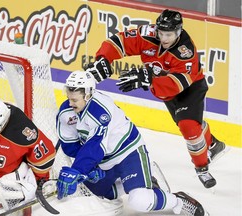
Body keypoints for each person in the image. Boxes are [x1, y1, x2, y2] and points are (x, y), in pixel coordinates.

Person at [85, 9, 227, 189]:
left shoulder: (185, 51)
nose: (164, 38)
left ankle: (202, 168)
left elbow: (178, 84)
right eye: (161, 33)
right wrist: (103, 59)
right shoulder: (149, 34)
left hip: (189, 89)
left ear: (178, 31)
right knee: (192, 126)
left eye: (169, 34)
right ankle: (213, 144)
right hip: (165, 90)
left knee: (188, 127)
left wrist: (148, 79)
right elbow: (119, 41)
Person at [56, 70, 207, 216]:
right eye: (69, 98)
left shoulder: (100, 110)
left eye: (75, 100)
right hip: (104, 160)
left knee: (140, 201)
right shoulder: (65, 113)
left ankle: (177, 201)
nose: (70, 103)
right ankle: (141, 179)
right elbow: (71, 146)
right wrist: (89, 169)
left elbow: (95, 146)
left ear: (88, 95)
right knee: (99, 194)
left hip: (128, 153)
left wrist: (78, 170)